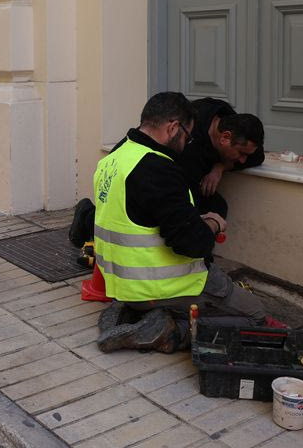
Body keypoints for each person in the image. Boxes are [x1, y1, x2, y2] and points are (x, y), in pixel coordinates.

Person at [88, 92, 278, 354]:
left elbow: (140, 218)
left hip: (123, 284)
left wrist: (190, 219)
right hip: (162, 285)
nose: (188, 144)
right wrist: (212, 224)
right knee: (255, 316)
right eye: (188, 136)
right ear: (173, 128)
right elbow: (192, 244)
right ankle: (171, 331)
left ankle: (133, 311)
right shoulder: (158, 168)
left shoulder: (115, 158)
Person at [177, 97, 264, 220]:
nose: (243, 160)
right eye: (241, 153)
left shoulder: (227, 118)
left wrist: (221, 166)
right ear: (225, 137)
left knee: (218, 208)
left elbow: (258, 156)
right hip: (176, 185)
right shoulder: (190, 140)